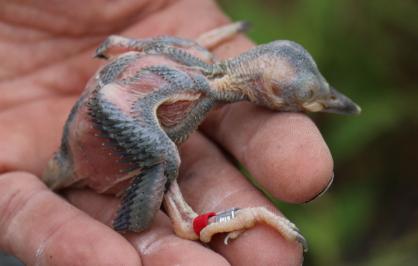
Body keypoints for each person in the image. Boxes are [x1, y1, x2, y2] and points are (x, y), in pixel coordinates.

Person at [0, 0, 334, 265]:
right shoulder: (192, 82)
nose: (318, 101)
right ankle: (216, 219)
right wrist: (155, 151)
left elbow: (131, 51)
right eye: (306, 97)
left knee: (162, 153)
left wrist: (148, 47)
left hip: (105, 119)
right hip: (88, 150)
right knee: (165, 159)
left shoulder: (198, 61)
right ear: (271, 92)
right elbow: (111, 99)